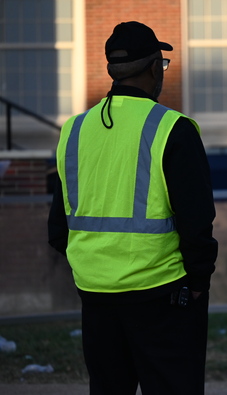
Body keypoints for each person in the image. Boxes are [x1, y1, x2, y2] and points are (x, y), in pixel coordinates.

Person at [48, 21, 217, 395]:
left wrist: (97, 268)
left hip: (95, 296)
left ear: (113, 70)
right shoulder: (174, 128)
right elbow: (196, 219)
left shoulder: (74, 130)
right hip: (162, 294)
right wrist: (200, 282)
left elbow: (58, 228)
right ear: (156, 67)